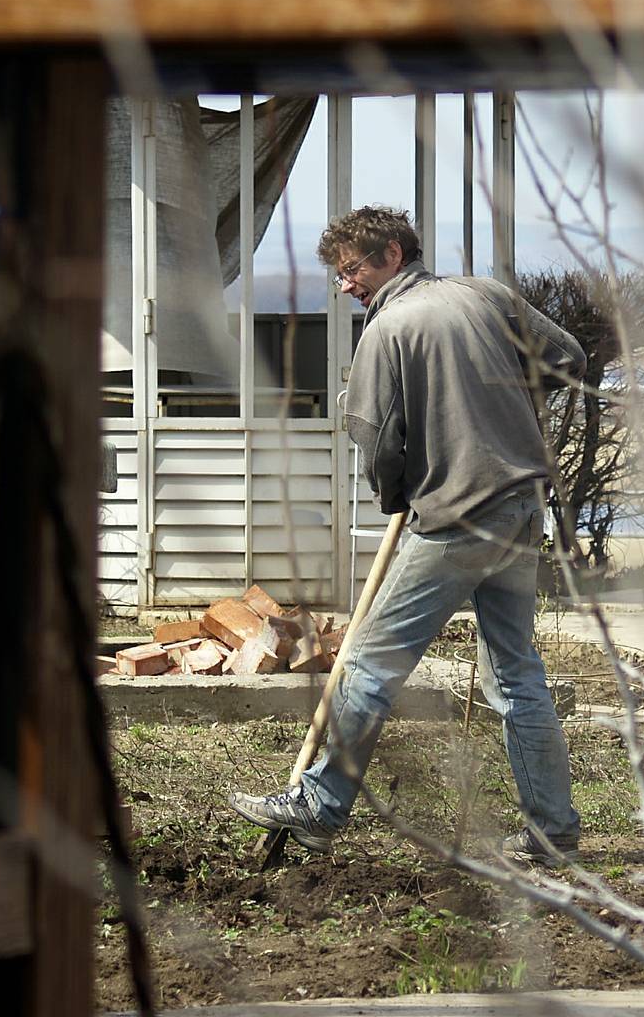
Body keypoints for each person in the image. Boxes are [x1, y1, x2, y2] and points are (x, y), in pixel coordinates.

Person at [229, 205, 585, 866]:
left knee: (367, 663)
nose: (345, 286)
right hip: (518, 505)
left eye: (353, 270)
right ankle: (553, 833)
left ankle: (319, 805)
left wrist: (397, 495)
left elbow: (373, 438)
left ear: (394, 253)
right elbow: (569, 356)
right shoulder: (485, 295)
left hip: (456, 514)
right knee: (516, 674)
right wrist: (501, 403)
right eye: (339, 275)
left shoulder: (388, 327)